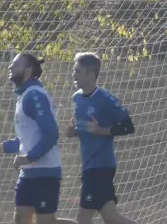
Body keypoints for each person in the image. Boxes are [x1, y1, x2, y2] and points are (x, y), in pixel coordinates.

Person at [0, 53, 77, 224]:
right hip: (27, 174)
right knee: (21, 219)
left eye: (15, 65)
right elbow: (27, 139)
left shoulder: (34, 95)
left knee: (46, 222)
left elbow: (51, 134)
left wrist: (28, 157)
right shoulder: (23, 96)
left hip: (45, 172)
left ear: (28, 70)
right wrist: (4, 147)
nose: (10, 67)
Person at [67, 52, 139, 224]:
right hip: (90, 166)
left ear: (91, 75)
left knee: (83, 219)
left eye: (78, 71)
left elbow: (128, 127)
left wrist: (101, 131)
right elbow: (84, 129)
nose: (73, 74)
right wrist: (73, 131)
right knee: (111, 217)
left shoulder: (104, 98)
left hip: (100, 166)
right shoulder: (76, 98)